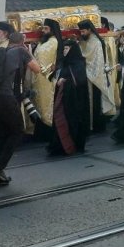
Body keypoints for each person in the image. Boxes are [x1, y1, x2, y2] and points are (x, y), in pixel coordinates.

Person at [0, 27, 42, 185]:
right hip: (4, 98)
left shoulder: (1, 51)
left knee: (3, 134)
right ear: (22, 42)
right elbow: (37, 69)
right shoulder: (21, 51)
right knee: (16, 131)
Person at [47, 24, 91, 155]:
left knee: (72, 123)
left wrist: (65, 81)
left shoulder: (79, 63)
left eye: (67, 48)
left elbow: (80, 82)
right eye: (64, 48)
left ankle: (71, 146)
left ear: (73, 49)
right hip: (64, 99)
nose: (65, 51)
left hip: (74, 102)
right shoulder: (65, 62)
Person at [77, 20, 117, 133]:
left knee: (95, 103)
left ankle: (96, 126)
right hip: (87, 77)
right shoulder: (86, 40)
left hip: (95, 78)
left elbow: (88, 58)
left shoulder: (96, 42)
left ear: (89, 30)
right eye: (80, 31)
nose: (82, 33)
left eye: (83, 31)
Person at [30, 20, 62, 136]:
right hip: (38, 78)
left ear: (52, 30)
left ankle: (48, 130)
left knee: (46, 105)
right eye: (43, 29)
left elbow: (43, 59)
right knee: (38, 104)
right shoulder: (43, 41)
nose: (43, 31)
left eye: (46, 29)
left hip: (46, 79)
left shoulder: (53, 41)